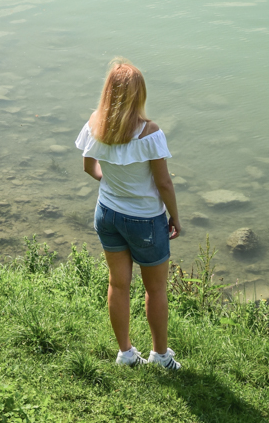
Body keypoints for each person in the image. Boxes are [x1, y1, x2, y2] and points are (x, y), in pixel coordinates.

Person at [75, 58, 181, 369]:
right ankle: (160, 357)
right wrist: (175, 217)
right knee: (156, 288)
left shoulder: (95, 123)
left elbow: (88, 166)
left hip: (107, 213)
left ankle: (125, 353)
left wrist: (107, 181)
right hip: (146, 221)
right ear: (139, 94)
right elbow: (163, 182)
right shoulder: (149, 132)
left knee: (118, 284)